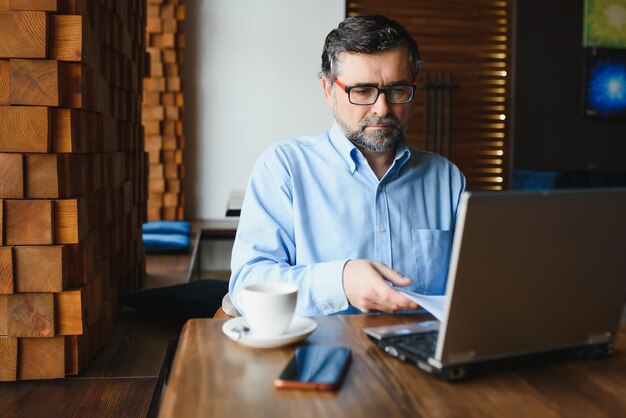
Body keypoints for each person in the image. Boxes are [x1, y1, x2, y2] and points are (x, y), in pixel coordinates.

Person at [229, 14, 465, 316]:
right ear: (329, 91)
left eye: (397, 90)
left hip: (426, 357)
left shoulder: (447, 180)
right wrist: (339, 282)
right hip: (322, 357)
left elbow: (475, 285)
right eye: (362, 91)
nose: (382, 108)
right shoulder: (283, 170)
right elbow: (247, 289)